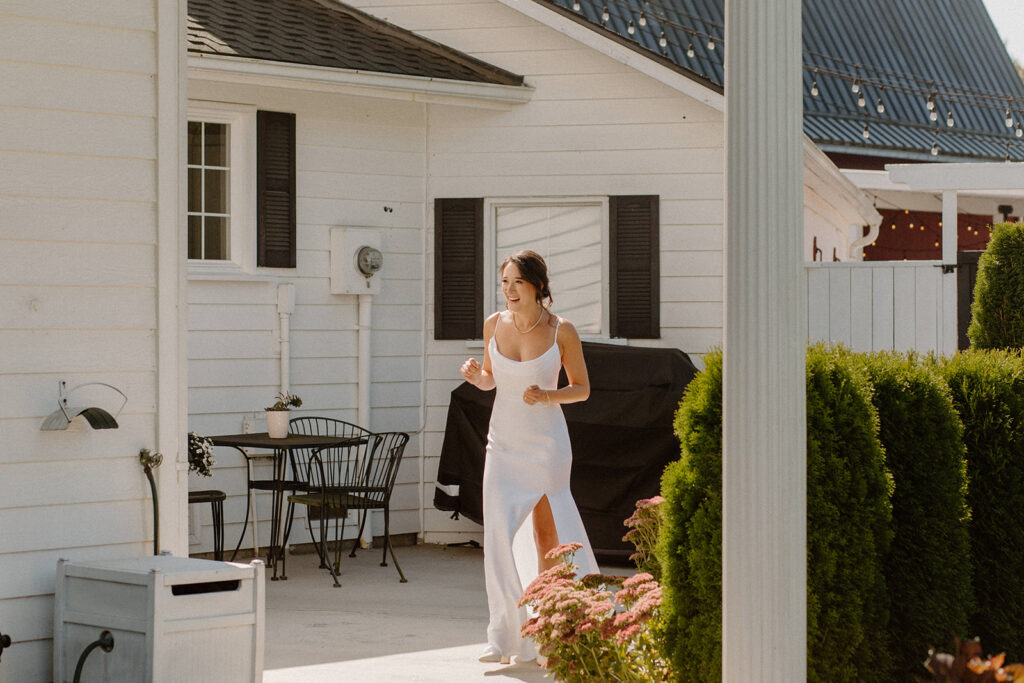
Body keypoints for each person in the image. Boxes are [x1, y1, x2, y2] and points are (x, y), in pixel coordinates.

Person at [460, 250, 599, 665]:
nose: (509, 291)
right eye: (505, 282)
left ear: (538, 285)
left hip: (546, 445)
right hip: (502, 444)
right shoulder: (493, 324)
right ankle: (503, 635)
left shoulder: (562, 330)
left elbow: (582, 388)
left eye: (516, 282)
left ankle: (548, 626)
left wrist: (548, 395)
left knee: (546, 538)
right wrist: (475, 376)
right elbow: (490, 380)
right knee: (498, 538)